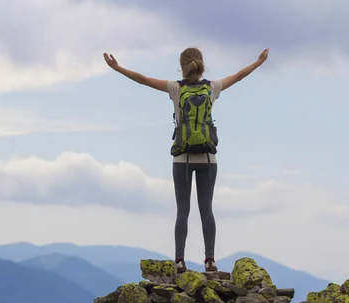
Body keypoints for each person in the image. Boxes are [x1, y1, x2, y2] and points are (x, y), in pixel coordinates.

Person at [103, 47, 269, 273]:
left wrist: (117, 68)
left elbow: (142, 80)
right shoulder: (212, 87)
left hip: (182, 157)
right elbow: (239, 76)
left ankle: (179, 261)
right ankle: (210, 261)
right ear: (201, 64)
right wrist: (258, 62)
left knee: (183, 210)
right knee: (206, 210)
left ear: (182, 66)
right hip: (208, 158)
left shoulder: (175, 88)